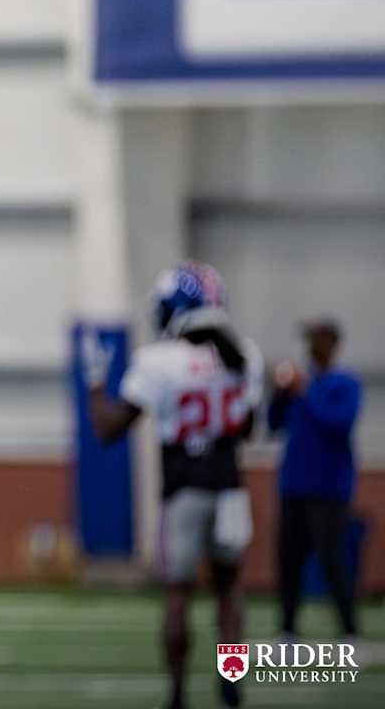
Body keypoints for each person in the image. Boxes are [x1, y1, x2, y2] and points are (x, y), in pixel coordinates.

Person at [84, 262, 263, 709]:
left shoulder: (159, 361)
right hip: (229, 487)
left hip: (183, 486)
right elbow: (247, 430)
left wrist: (93, 382)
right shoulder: (245, 355)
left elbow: (109, 428)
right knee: (229, 591)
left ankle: (179, 692)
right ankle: (231, 684)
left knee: (179, 595)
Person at [269, 317, 361, 641]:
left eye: (317, 339)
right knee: (289, 560)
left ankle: (349, 628)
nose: (310, 346)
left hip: (330, 488)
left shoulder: (344, 383)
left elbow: (338, 423)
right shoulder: (298, 384)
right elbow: (273, 424)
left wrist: (304, 391)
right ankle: (288, 627)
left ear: (332, 344)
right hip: (294, 484)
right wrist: (278, 394)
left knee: (333, 560)